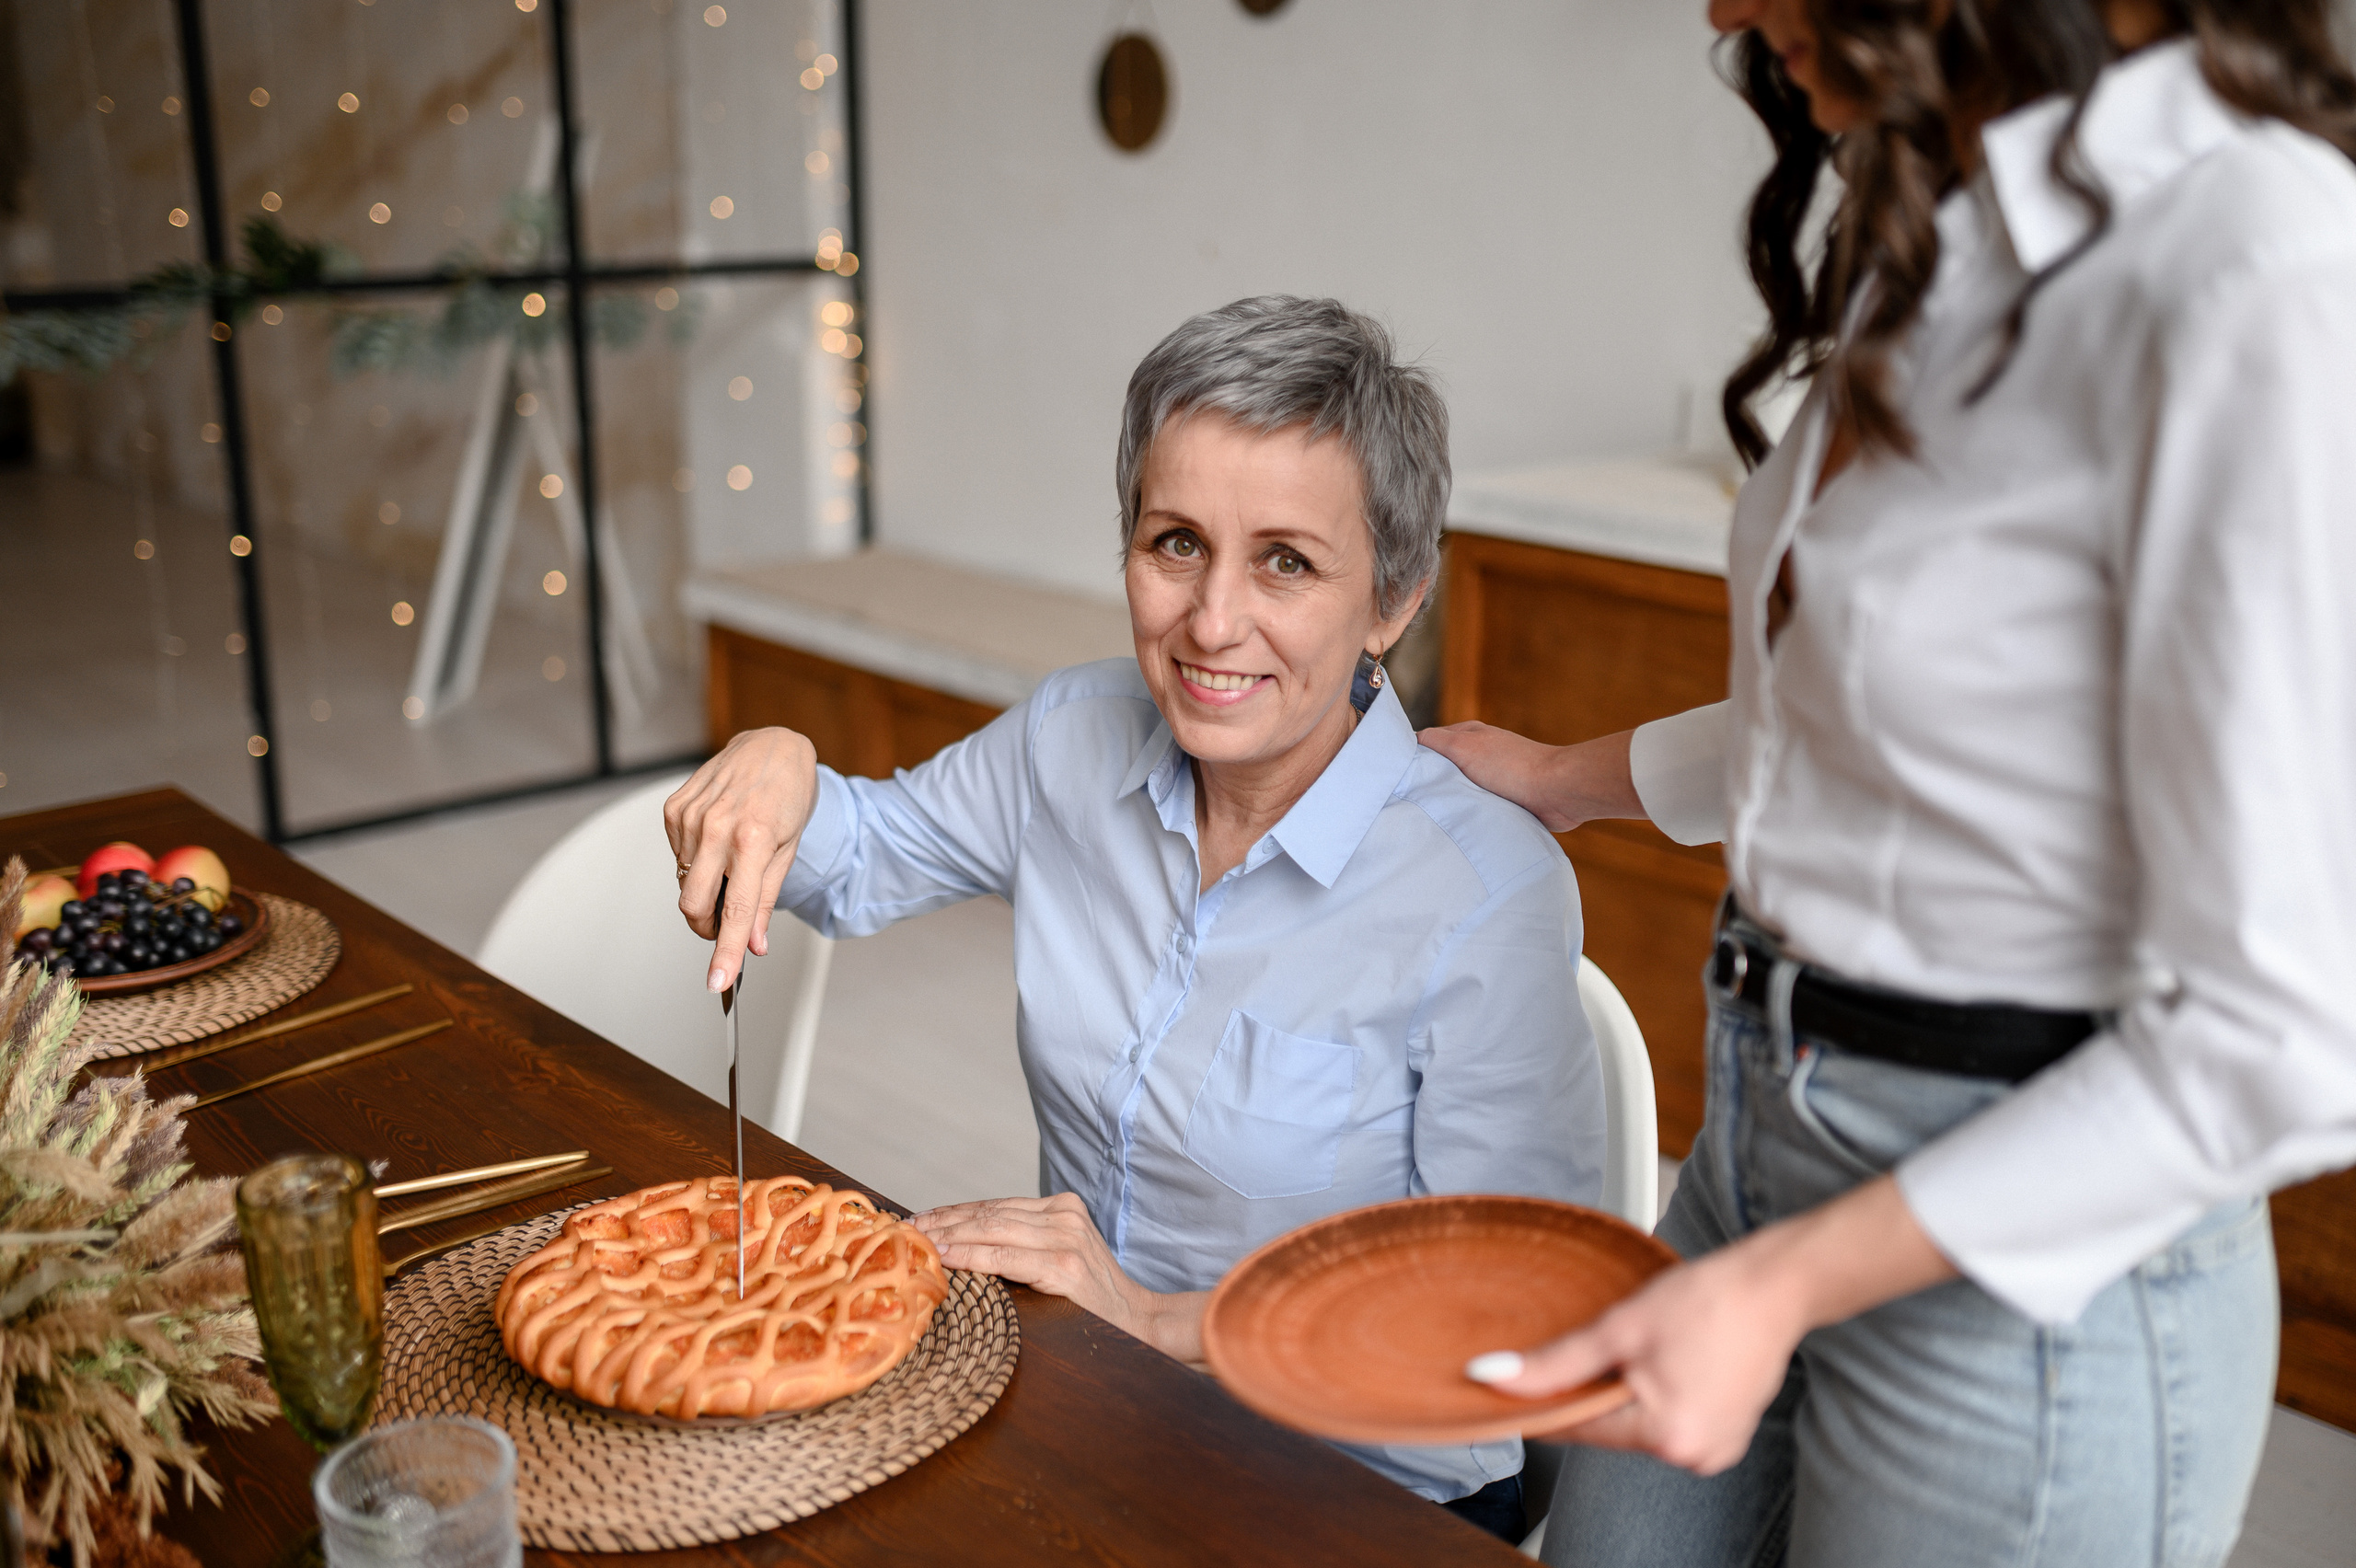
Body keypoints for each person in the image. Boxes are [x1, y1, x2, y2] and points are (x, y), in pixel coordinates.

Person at [1425, 2, 2356, 1563]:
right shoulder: (1948, 221)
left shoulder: (2252, 258)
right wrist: (1560, 776)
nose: (1720, 11)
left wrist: (1780, 1288)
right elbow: (1894, 711)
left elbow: (2289, 1033)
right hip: (1762, 1136)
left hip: (2031, 1272)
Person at [666, 295, 1605, 1539]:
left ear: (1391, 601)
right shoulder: (1069, 735)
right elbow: (857, 857)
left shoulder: (1484, 890)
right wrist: (778, 755)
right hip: (1081, 1404)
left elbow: (1515, 1317)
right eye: (1175, 543)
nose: (1212, 622)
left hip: (1358, 1496)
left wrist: (1155, 1319)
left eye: (1286, 561)